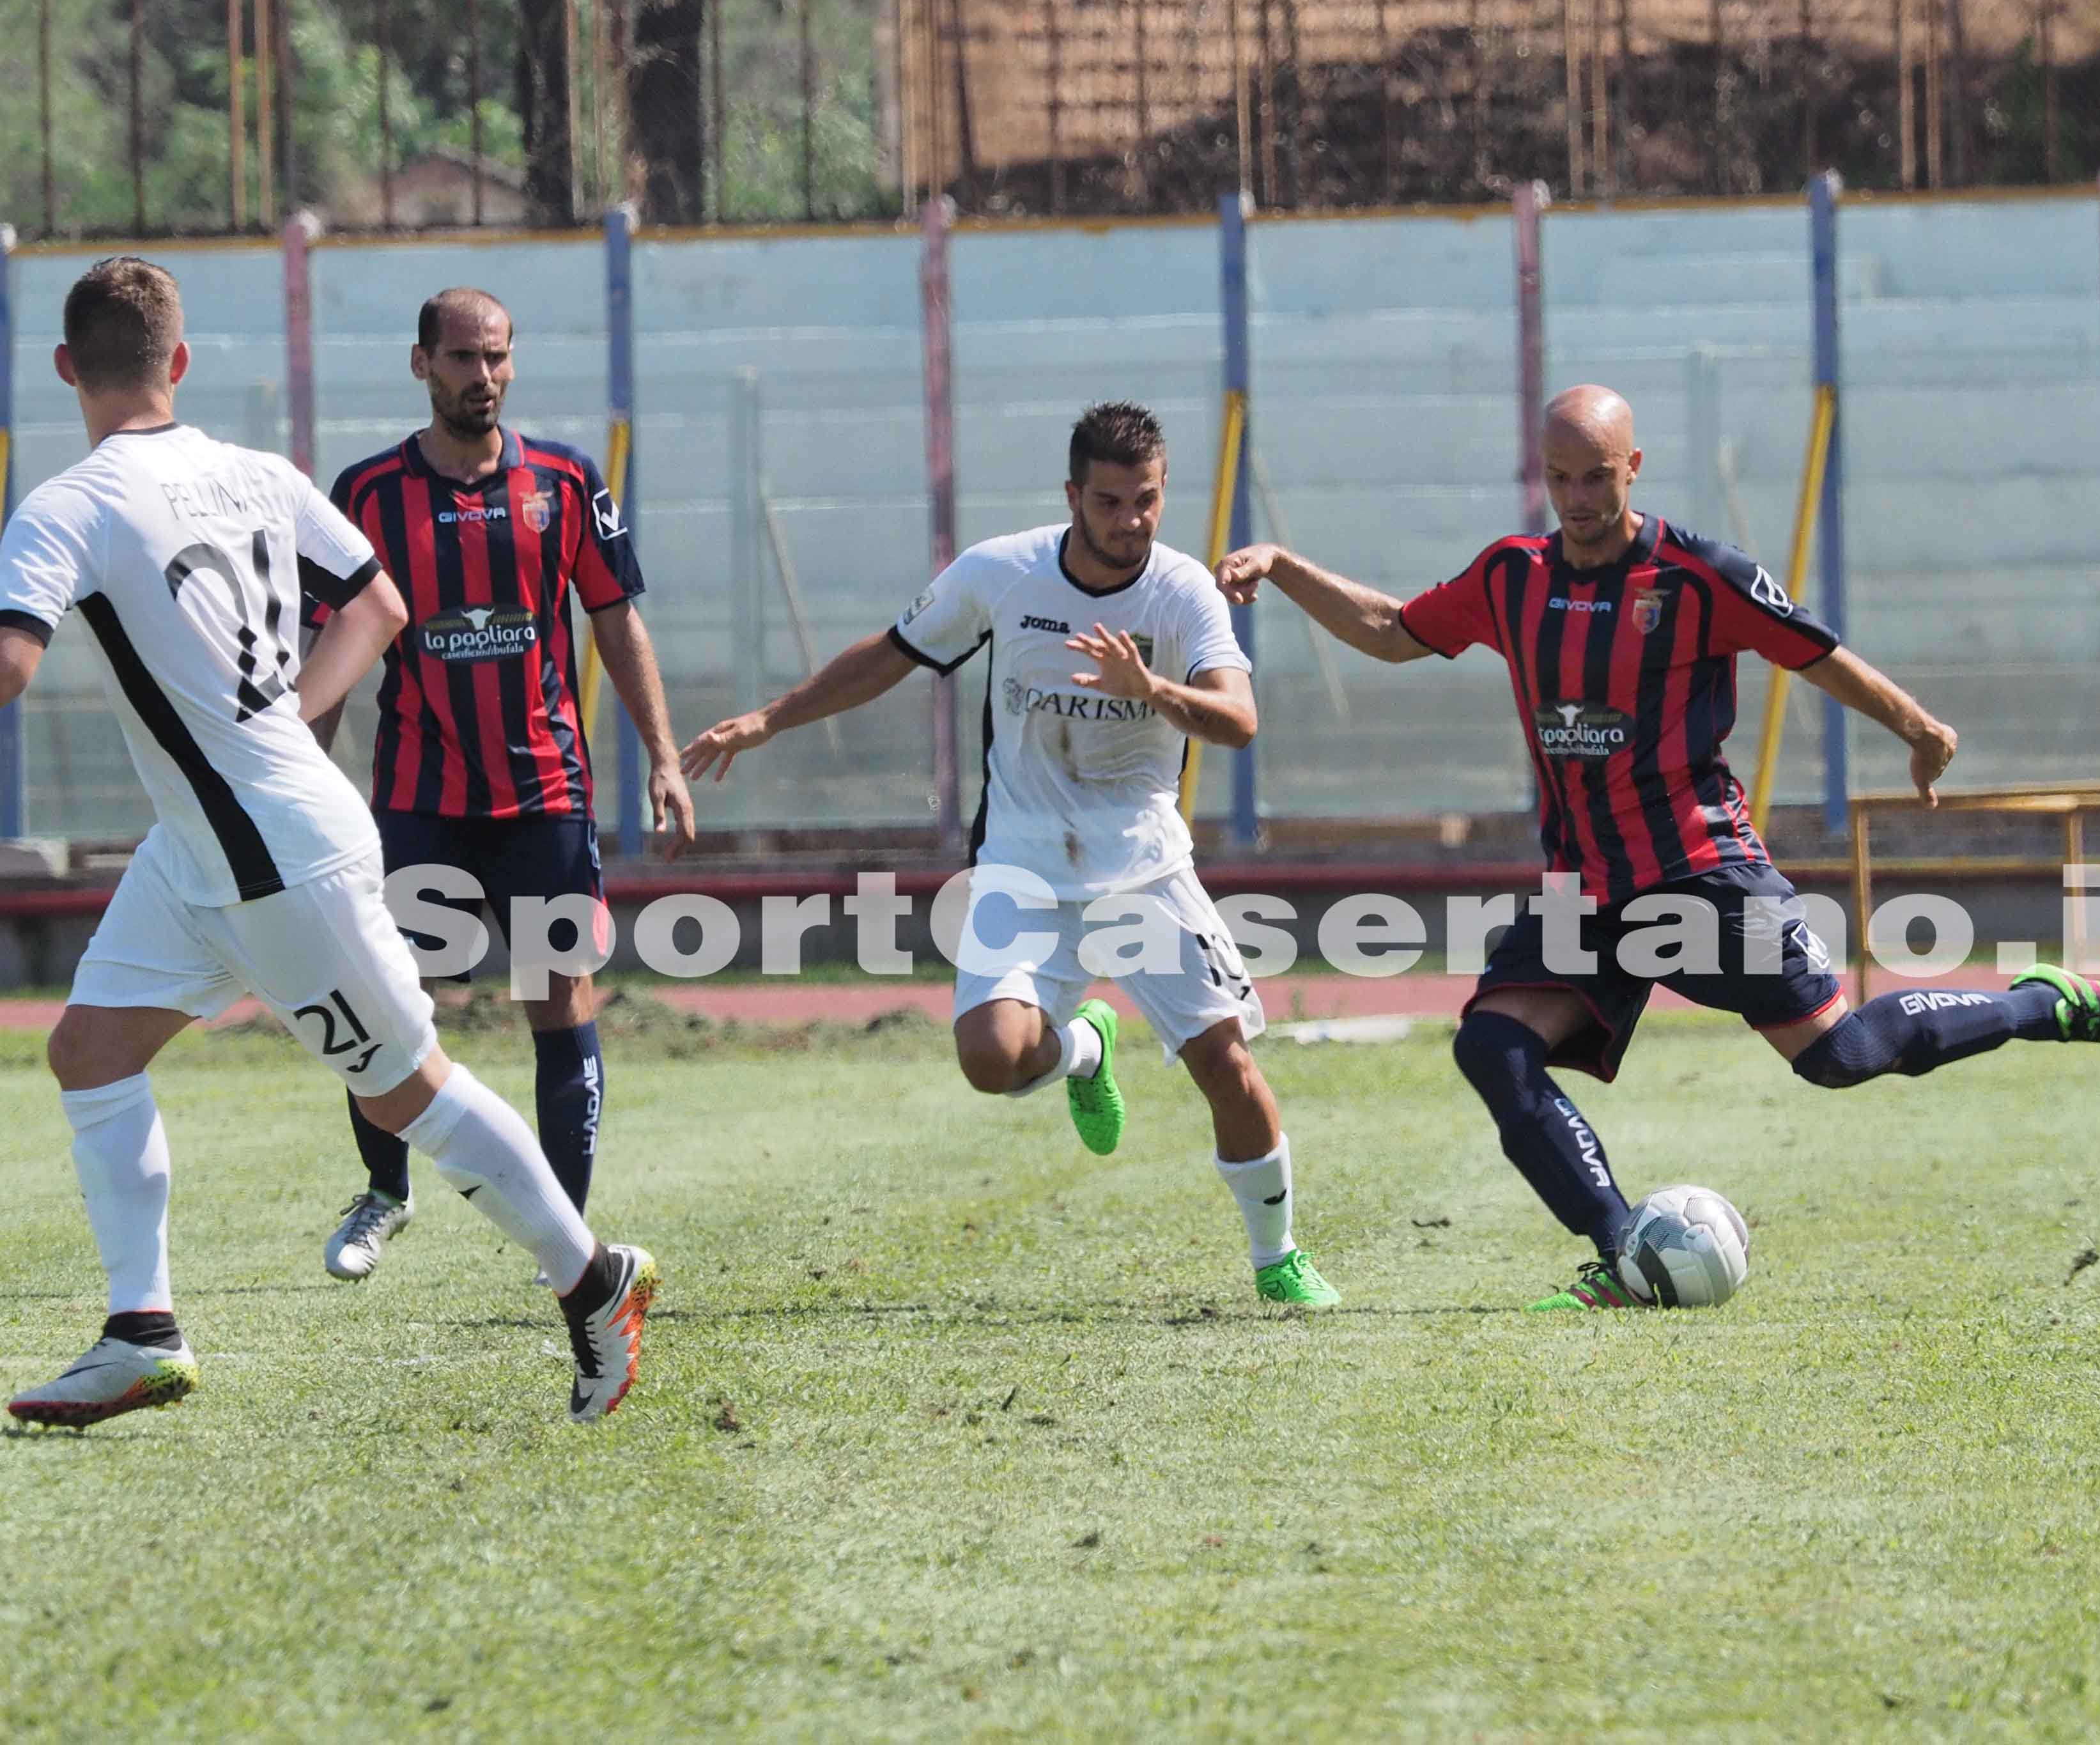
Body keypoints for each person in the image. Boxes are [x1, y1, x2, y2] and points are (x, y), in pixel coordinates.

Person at [1216, 383, 2100, 1310]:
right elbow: (1393, 631)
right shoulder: (1513, 577)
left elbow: (1815, 651)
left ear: (1632, 466)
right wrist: (1287, 566)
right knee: (1492, 1046)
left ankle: (2039, 1005)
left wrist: (1918, 729)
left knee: (1839, 1055)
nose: (1579, 499)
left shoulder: (1698, 576)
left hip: (1702, 876)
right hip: (1586, 894)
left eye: (1596, 476)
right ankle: (1623, 1252)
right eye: (1560, 479)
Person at [0, 258, 656, 1429]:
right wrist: (285, 726)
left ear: (65, 369)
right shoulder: (257, 472)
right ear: (181, 362)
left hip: (273, 858)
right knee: (90, 1051)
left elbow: (11, 662)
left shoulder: (70, 503)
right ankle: (140, 1330)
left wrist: (261, 749)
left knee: (412, 1093)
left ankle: (593, 1277)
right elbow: (382, 606)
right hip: (207, 845)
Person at [680, 401, 1339, 1308]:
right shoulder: (1005, 573)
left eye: (1145, 500)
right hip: (1022, 863)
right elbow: (894, 651)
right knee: (991, 1060)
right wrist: (768, 718)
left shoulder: (1181, 592)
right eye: (1109, 502)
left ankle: (1278, 1258)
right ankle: (1082, 1049)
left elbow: (1239, 720)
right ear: (1072, 495)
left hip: (1142, 867)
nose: (1130, 522)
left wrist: (1148, 686)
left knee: (1223, 1066)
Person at [313, 288, 694, 1284]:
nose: (482, 377)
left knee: (559, 1003)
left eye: (496, 358)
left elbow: (615, 618)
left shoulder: (566, 481)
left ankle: (564, 1234)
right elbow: (333, 650)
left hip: (543, 796)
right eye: (461, 358)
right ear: (420, 363)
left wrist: (660, 752)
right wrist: (301, 782)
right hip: (416, 796)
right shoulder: (364, 495)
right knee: (380, 1004)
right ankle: (383, 1196)